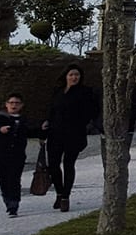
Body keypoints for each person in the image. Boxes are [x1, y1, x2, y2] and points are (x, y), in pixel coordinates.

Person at [41, 64, 99, 213]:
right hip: (55, 133)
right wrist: (47, 122)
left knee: (68, 164)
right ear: (66, 76)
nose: (74, 78)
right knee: (53, 165)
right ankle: (59, 192)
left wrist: (82, 124)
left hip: (74, 134)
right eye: (71, 75)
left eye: (77, 75)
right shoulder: (58, 91)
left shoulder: (85, 92)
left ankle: (66, 196)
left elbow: (91, 111)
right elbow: (51, 109)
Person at [0, 92, 39, 217]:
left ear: (21, 105)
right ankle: (7, 200)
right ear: (6, 104)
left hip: (18, 154)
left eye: (17, 103)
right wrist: (0, 129)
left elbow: (30, 132)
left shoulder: (23, 120)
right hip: (1, 153)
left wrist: (42, 130)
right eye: (11, 103)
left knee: (14, 178)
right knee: (4, 178)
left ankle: (13, 204)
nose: (14, 105)